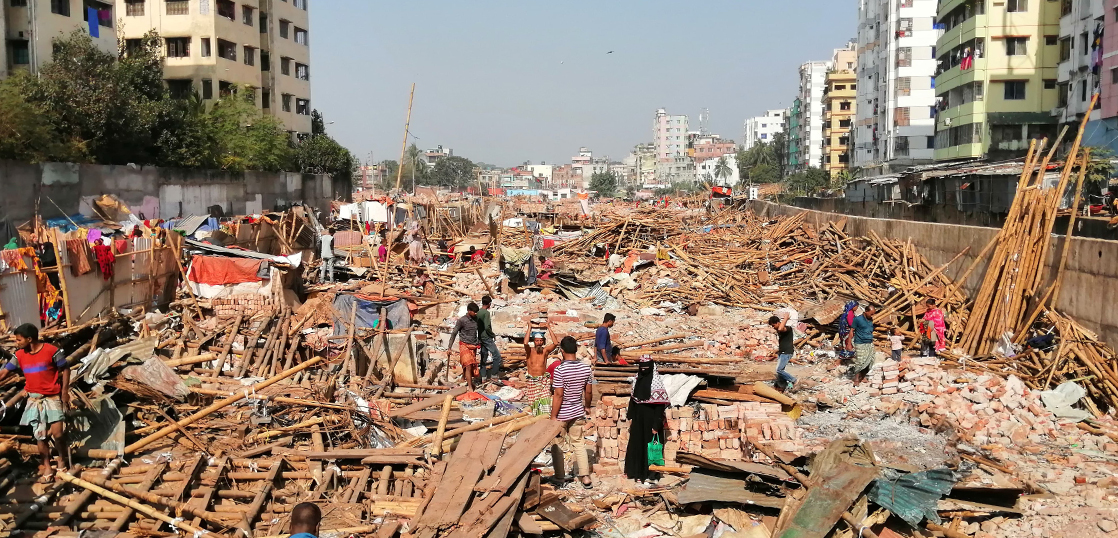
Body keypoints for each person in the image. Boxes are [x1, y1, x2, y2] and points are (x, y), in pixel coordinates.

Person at [0, 324, 70, 482]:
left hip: (52, 397)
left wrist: (64, 392)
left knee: (58, 433)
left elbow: (65, 369)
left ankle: (61, 459)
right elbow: (4, 372)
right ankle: (46, 465)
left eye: (19, 340)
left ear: (29, 339)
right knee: (40, 436)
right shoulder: (19, 356)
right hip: (34, 399)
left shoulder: (51, 351)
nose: (16, 343)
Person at [551, 336, 595, 488]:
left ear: (562, 351)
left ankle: (559, 476)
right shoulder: (586, 368)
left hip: (562, 413)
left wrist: (553, 416)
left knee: (557, 445)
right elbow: (588, 392)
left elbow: (558, 394)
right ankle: (585, 477)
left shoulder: (560, 369)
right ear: (576, 349)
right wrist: (587, 406)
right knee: (579, 444)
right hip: (577, 411)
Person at [625, 355, 669, 484]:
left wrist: (656, 425)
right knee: (638, 446)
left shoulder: (656, 383)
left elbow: (659, 406)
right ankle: (637, 473)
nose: (644, 369)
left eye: (646, 367)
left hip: (651, 421)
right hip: (638, 420)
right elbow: (633, 400)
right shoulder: (637, 379)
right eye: (641, 367)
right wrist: (631, 416)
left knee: (651, 448)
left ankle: (651, 475)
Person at [522, 321, 558, 415]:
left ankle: (545, 419)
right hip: (532, 381)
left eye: (541, 341)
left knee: (545, 403)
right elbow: (525, 343)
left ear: (543, 341)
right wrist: (529, 327)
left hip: (543, 381)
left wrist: (549, 327)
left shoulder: (545, 351)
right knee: (533, 405)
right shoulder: (530, 351)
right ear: (534, 341)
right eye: (537, 340)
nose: (539, 343)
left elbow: (555, 343)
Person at [447, 303, 481, 390]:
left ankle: (464, 377)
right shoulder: (462, 320)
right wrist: (449, 347)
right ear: (469, 311)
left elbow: (479, 332)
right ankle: (470, 386)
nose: (476, 313)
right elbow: (454, 333)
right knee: (468, 365)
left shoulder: (477, 319)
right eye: (474, 312)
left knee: (469, 365)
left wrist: (479, 342)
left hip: (473, 345)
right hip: (464, 345)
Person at [767, 313, 797, 392]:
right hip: (782, 352)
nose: (774, 328)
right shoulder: (780, 331)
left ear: (778, 323)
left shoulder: (787, 329)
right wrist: (776, 350)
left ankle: (794, 380)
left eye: (774, 325)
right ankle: (782, 386)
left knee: (779, 370)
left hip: (786, 352)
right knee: (780, 372)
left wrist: (786, 318)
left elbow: (780, 328)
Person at [476, 295, 502, 381]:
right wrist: (492, 334)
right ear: (489, 304)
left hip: (480, 337)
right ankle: (494, 375)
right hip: (486, 337)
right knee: (497, 356)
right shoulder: (486, 313)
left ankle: (483, 376)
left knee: (484, 356)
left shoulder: (479, 312)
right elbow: (487, 327)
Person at [852, 305, 876, 385]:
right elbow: (852, 330)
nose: (872, 316)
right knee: (860, 361)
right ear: (866, 311)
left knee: (870, 360)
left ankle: (862, 376)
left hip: (869, 342)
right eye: (871, 314)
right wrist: (849, 344)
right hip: (860, 342)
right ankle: (856, 378)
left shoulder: (870, 320)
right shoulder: (857, 319)